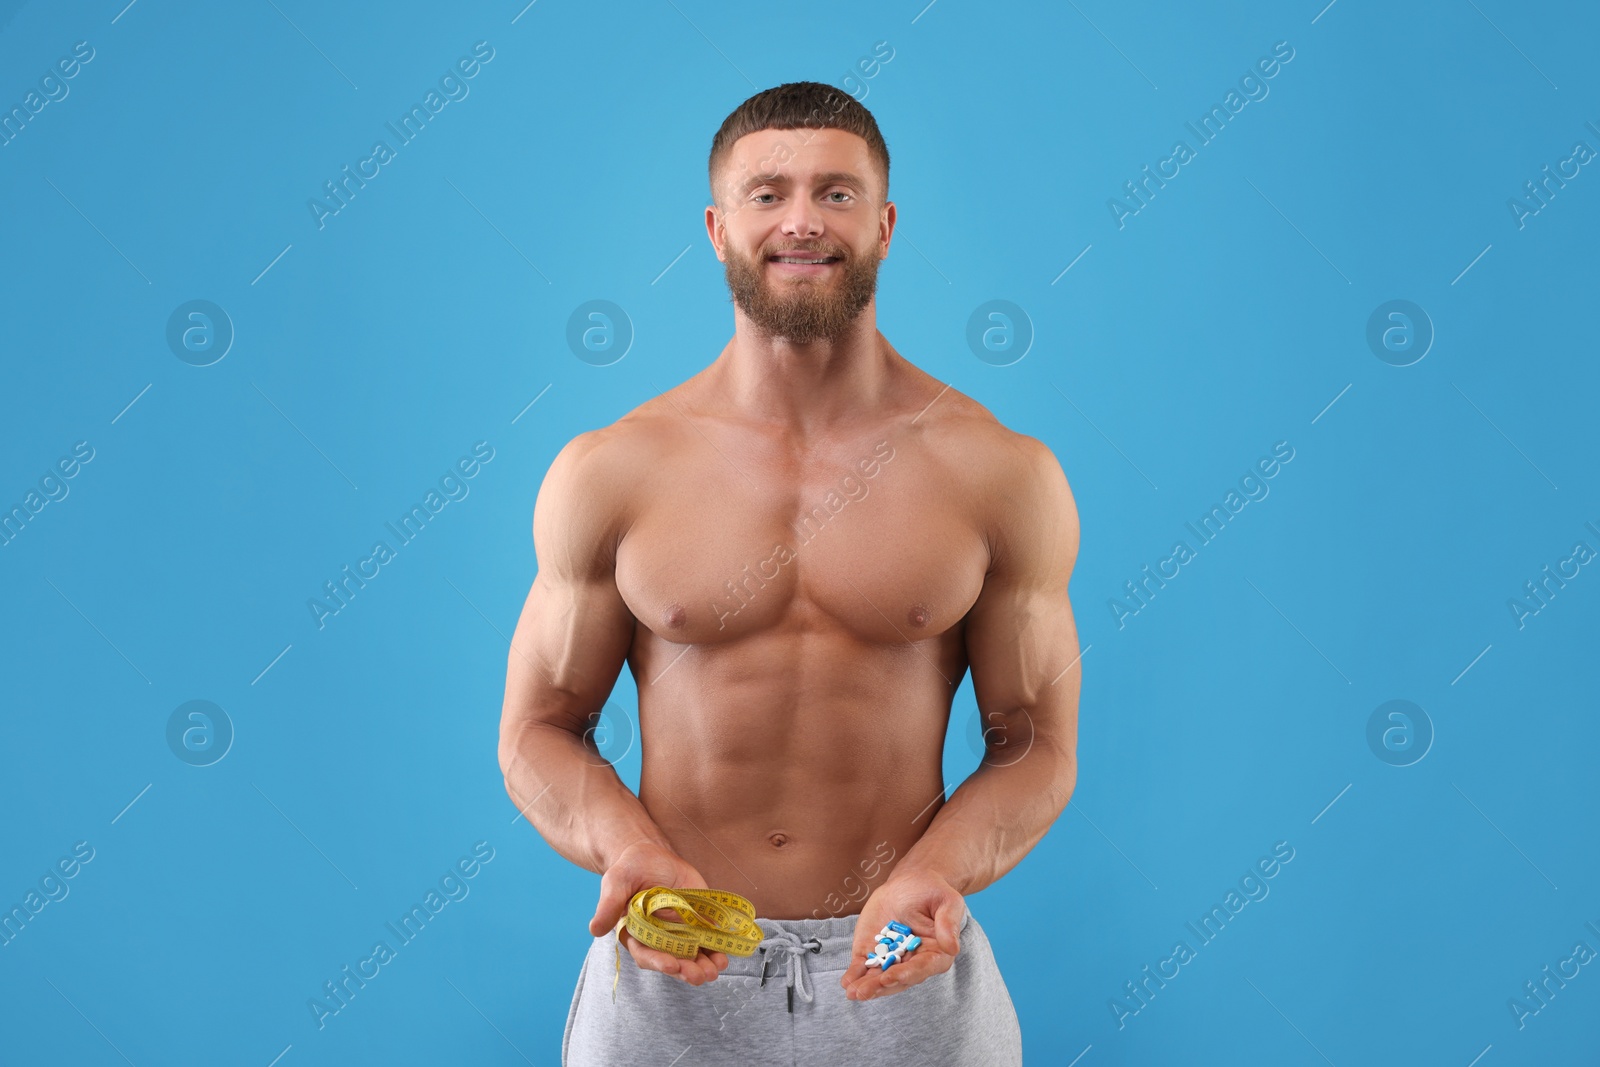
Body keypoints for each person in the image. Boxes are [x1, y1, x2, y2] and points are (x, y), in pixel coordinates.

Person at [498, 80, 1081, 1066]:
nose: (802, 220)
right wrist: (625, 851)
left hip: (902, 958)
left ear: (885, 223)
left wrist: (933, 874)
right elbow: (539, 726)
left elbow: (1034, 742)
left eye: (837, 193)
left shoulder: (998, 471)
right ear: (718, 227)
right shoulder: (612, 469)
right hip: (670, 960)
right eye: (767, 194)